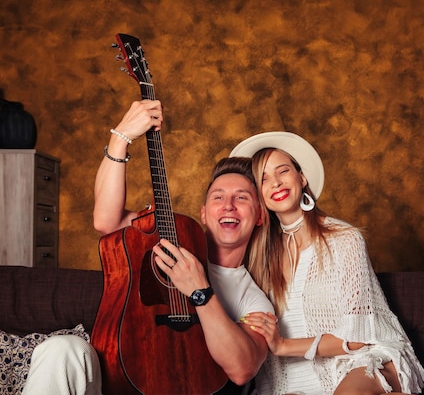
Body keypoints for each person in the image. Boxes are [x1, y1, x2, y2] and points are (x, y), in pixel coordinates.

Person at [24, 99, 273, 395]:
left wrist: (200, 291)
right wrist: (121, 138)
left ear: (260, 215)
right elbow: (107, 221)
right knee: (61, 350)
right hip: (117, 380)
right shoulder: (166, 238)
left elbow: (242, 369)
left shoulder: (255, 301)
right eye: (218, 197)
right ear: (204, 212)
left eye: (242, 198)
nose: (228, 206)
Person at [230, 132, 424, 395]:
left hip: (359, 361)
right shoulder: (256, 257)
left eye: (283, 171)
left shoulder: (345, 239)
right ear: (257, 194)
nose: (275, 183)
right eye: (263, 179)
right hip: (289, 378)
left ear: (301, 177)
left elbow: (357, 340)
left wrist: (282, 345)